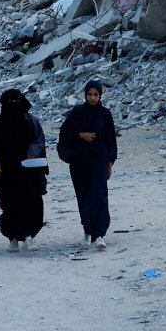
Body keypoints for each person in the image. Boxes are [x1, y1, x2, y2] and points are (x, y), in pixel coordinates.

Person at [0, 89, 47, 252]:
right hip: (6, 172)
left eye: (16, 102)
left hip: (28, 170)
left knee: (31, 203)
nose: (13, 106)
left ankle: (28, 237)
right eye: (9, 103)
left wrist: (32, 153)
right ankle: (12, 238)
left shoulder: (30, 121)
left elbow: (39, 139)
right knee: (9, 204)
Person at [57, 79, 118, 249]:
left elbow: (111, 140)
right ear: (85, 95)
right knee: (84, 197)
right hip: (79, 163)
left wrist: (110, 162)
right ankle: (87, 232)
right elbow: (64, 133)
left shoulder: (105, 114)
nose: (92, 98)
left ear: (100, 95)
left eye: (96, 95)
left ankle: (99, 235)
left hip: (99, 162)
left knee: (99, 196)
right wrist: (80, 135)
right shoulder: (77, 112)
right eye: (90, 94)